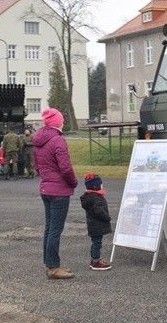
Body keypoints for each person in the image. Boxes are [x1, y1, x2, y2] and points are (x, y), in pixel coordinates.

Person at [34, 107, 78, 280]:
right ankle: (53, 267)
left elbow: (37, 165)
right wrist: (73, 183)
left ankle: (50, 263)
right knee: (55, 230)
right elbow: (65, 168)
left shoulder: (39, 140)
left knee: (49, 228)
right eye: (62, 119)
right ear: (57, 122)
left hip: (45, 188)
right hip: (59, 190)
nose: (63, 121)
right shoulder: (58, 140)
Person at [80, 172, 113, 271]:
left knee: (95, 242)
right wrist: (107, 217)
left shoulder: (89, 197)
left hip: (93, 226)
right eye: (100, 183)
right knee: (97, 243)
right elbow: (99, 211)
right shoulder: (96, 198)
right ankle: (96, 262)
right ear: (96, 186)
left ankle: (94, 259)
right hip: (97, 226)